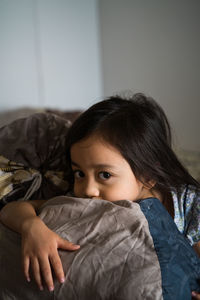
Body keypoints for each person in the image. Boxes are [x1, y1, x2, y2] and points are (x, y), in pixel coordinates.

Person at [0, 93, 200, 298]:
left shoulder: (187, 203)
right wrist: (31, 227)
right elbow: (11, 209)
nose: (88, 189)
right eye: (79, 173)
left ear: (147, 176)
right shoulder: (84, 201)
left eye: (105, 175)